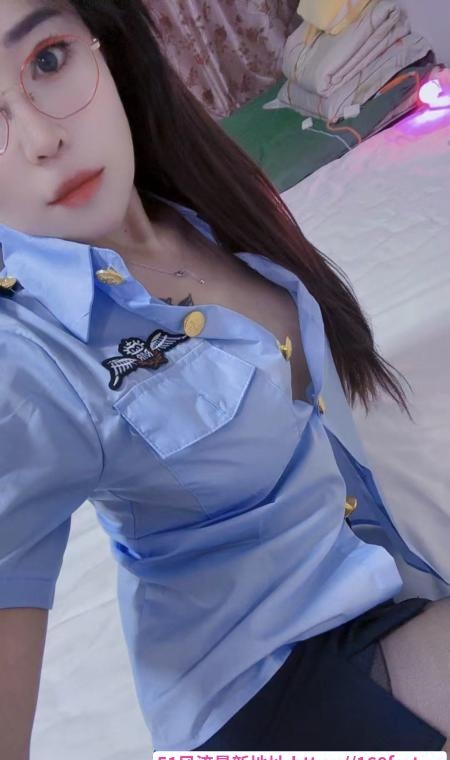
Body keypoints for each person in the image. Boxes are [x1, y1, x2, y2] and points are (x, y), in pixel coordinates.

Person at [0, 0, 448, 755]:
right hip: (256, 688)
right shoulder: (26, 358)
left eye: (48, 60)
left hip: (366, 589)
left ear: (103, 46)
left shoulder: (199, 202)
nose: (44, 139)